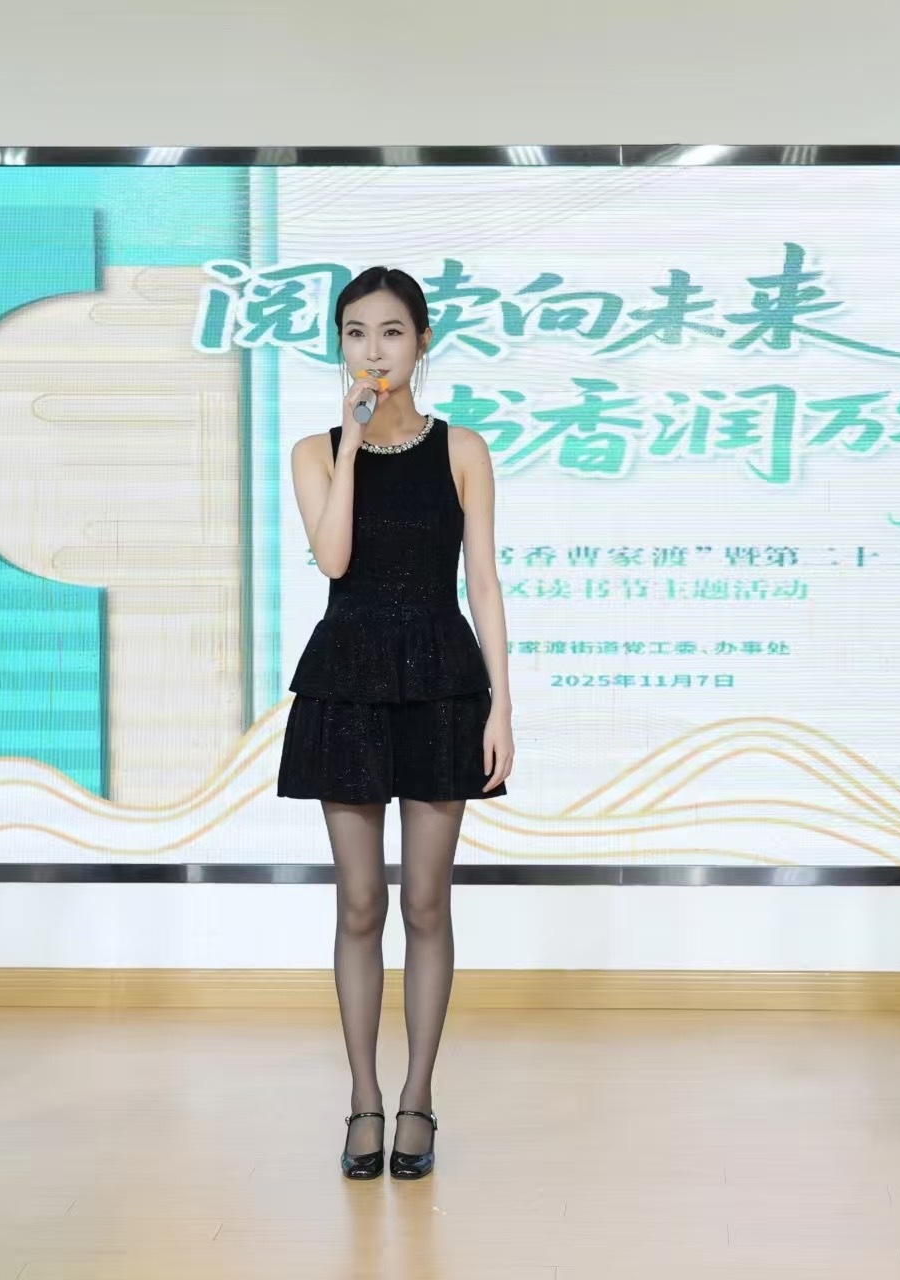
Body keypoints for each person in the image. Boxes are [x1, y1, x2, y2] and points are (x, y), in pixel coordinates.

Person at [278, 266, 516, 1181]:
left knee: (424, 901)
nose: (372, 350)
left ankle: (418, 1097)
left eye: (390, 332)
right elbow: (335, 558)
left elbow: (483, 581)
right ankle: (363, 1099)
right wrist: (350, 442)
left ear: (422, 341)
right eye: (354, 333)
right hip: (347, 679)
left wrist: (503, 705)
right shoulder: (313, 451)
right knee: (359, 904)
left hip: (442, 681)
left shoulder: (464, 448)